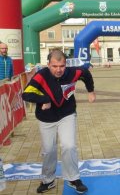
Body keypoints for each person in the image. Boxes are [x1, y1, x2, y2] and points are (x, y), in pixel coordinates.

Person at [22, 49, 95, 194]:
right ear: (48, 64)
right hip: (46, 118)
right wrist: (44, 99)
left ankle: (73, 179)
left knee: (69, 146)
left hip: (67, 115)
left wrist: (90, 91)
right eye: (55, 66)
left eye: (61, 66)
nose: (59, 70)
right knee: (49, 150)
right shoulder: (41, 75)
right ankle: (48, 180)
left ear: (65, 64)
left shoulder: (73, 72)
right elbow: (26, 93)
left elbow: (86, 74)